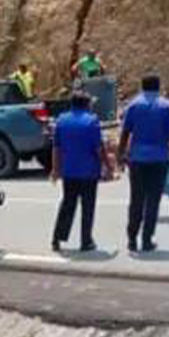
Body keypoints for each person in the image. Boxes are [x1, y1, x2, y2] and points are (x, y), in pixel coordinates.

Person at [118, 75, 169, 253]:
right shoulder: (167, 106)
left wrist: (120, 154)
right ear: (158, 87)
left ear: (142, 87)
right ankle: (147, 239)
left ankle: (132, 238)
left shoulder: (132, 106)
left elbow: (125, 133)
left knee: (136, 200)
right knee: (153, 201)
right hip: (159, 158)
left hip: (137, 159)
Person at [51, 92, 114, 252]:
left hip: (69, 171)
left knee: (67, 204)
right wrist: (107, 167)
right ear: (86, 104)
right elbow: (99, 148)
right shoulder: (92, 121)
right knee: (88, 207)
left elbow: (56, 148)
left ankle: (57, 238)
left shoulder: (61, 121)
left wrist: (56, 169)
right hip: (88, 171)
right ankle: (86, 241)